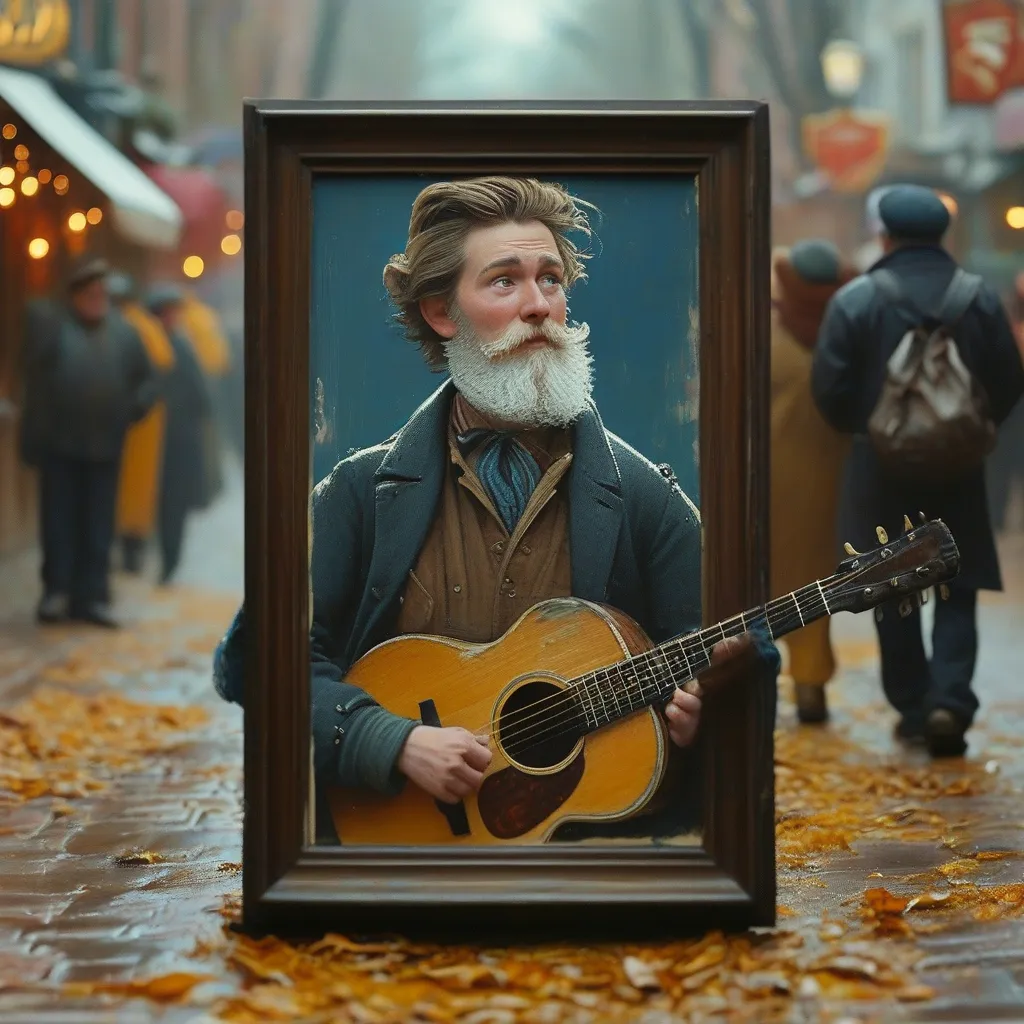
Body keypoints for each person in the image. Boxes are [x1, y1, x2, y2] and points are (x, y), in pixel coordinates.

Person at [213, 176, 780, 840]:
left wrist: (709, 707)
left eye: (551, 280)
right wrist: (385, 739)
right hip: (396, 865)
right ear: (440, 312)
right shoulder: (360, 493)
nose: (539, 305)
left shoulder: (645, 495)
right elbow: (256, 661)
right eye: (505, 282)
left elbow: (741, 651)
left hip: (594, 872)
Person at [812, 184, 1024, 757]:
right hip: (959, 466)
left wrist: (874, 429)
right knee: (961, 583)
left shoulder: (856, 299)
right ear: (942, 235)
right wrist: (967, 429)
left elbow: (829, 390)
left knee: (888, 580)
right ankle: (949, 703)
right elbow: (1009, 379)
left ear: (885, 234)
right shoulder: (977, 298)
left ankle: (911, 704)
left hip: (879, 468)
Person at [18, 256, 158, 628]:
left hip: (105, 446)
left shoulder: (125, 334)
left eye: (102, 293)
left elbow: (147, 380)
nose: (97, 299)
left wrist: (134, 407)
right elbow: (34, 387)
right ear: (75, 296)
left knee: (98, 525)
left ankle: (92, 596)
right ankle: (56, 591)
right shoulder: (54, 330)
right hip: (60, 445)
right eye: (90, 294)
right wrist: (31, 438)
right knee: (59, 521)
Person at [770, 240, 856, 725]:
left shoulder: (763, 328)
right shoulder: (841, 333)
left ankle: (760, 680)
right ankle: (810, 685)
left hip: (763, 480)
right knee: (816, 583)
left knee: (757, 583)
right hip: (827, 476)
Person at [108, 272, 177, 574]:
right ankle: (132, 547)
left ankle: (130, 549)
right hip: (147, 418)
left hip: (135, 417)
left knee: (129, 485)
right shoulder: (145, 325)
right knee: (137, 485)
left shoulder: (124, 325)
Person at [146, 285, 212, 585]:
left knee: (173, 501)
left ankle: (170, 558)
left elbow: (199, 394)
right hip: (155, 437)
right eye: (168, 313)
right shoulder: (158, 346)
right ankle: (160, 555)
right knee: (165, 500)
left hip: (178, 438)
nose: (173, 318)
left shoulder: (180, 346)